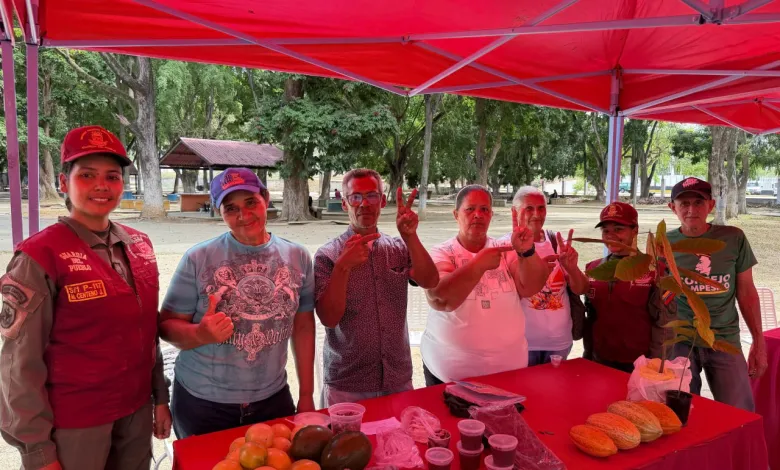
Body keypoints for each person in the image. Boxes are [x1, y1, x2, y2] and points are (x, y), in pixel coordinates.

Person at [0, 125, 171, 470]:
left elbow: (147, 332)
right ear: (64, 183)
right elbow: (20, 363)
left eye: (112, 177)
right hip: (75, 423)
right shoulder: (40, 255)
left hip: (135, 415)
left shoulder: (139, 246)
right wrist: (37, 451)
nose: (101, 185)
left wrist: (159, 397)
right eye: (87, 175)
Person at [160, 167, 315, 438]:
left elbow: (303, 327)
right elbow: (166, 326)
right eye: (231, 208)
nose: (243, 215)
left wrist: (306, 394)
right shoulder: (198, 258)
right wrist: (200, 334)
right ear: (218, 211)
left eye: (251, 202)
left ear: (266, 198)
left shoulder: (298, 257)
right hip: (203, 403)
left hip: (272, 398)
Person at [314, 169, 438, 406]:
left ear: (382, 201)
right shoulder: (328, 255)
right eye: (355, 197)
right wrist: (343, 267)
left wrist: (410, 237)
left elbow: (430, 280)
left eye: (371, 196)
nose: (364, 204)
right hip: (347, 382)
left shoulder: (398, 248)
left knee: (401, 431)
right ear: (344, 203)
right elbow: (329, 318)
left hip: (397, 378)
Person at [422, 185, 549, 385]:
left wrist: (527, 252)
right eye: (470, 209)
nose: (478, 215)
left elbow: (530, 287)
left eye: (484, 209)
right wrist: (478, 264)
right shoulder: (442, 252)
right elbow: (441, 299)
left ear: (491, 215)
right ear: (456, 214)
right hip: (450, 376)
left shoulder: (504, 250)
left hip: (509, 371)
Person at [666, 177, 766, 411]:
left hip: (724, 338)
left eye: (699, 203)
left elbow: (747, 293)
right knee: (679, 413)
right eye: (684, 203)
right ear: (672, 207)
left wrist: (759, 343)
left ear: (711, 205)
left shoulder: (733, 238)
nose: (692, 210)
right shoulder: (664, 243)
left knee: (739, 412)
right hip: (680, 340)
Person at [576, 202, 674, 372]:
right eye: (606, 231)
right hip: (600, 359)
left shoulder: (655, 270)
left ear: (635, 230)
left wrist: (655, 365)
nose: (611, 236)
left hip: (640, 364)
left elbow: (665, 324)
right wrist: (588, 355)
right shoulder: (593, 269)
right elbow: (591, 318)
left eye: (618, 229)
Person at [510, 186, 587, 366]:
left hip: (559, 343)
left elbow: (582, 288)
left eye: (541, 208)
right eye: (529, 208)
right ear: (515, 211)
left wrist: (572, 269)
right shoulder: (506, 245)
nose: (536, 214)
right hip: (523, 344)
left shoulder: (556, 242)